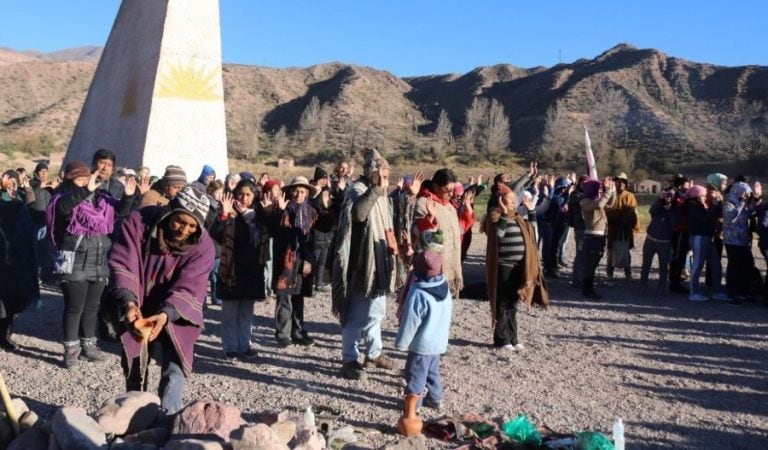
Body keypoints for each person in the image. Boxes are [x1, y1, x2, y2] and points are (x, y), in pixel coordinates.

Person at [110, 187, 214, 413]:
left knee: (174, 365)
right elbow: (123, 262)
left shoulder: (203, 246)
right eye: (179, 221)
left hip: (177, 311)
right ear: (170, 212)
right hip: (137, 301)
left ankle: (168, 416)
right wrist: (129, 302)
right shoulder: (137, 223)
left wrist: (167, 314)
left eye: (192, 226)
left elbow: (191, 284)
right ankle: (136, 413)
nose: (184, 230)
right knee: (135, 362)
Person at [46, 160, 138, 367]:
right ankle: (71, 350)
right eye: (79, 178)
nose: (85, 182)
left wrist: (129, 195)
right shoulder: (62, 199)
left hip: (99, 260)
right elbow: (64, 208)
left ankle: (88, 347)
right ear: (69, 180)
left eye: (86, 178)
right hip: (73, 262)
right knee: (74, 308)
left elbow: (119, 212)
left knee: (92, 308)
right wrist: (84, 191)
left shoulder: (101, 200)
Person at [332, 148, 397, 380]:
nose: (384, 177)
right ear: (371, 172)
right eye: (381, 172)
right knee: (354, 316)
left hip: (378, 262)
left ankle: (373, 353)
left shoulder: (382, 192)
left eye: (387, 173)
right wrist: (376, 190)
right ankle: (349, 360)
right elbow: (358, 214)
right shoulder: (357, 189)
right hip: (360, 264)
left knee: (376, 314)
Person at [483, 184, 548, 351]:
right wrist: (504, 214)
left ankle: (513, 337)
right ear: (501, 200)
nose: (513, 202)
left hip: (520, 266)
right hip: (503, 265)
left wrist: (532, 211)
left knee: (513, 302)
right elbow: (498, 235)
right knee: (502, 302)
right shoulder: (494, 215)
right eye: (510, 199)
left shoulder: (519, 216)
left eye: (514, 199)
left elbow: (532, 232)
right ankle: (501, 339)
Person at [210, 179, 267, 359]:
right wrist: (224, 215)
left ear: (254, 196)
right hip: (231, 269)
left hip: (251, 270)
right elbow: (215, 234)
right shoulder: (228, 213)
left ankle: (245, 345)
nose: (243, 198)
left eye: (247, 194)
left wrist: (249, 217)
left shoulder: (258, 215)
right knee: (230, 313)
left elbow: (257, 239)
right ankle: (230, 347)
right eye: (240, 194)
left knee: (246, 313)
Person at [394, 249, 452, 414]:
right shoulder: (445, 288)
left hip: (422, 345)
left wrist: (401, 343)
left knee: (415, 374)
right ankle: (435, 399)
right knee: (432, 371)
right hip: (438, 342)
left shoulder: (419, 293)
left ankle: (413, 405)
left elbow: (411, 321)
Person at [270, 176, 318, 347]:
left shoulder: (311, 211)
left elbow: (312, 238)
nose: (299, 194)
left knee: (298, 297)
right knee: (284, 297)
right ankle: (282, 333)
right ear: (291, 192)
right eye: (296, 190)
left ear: (307, 193)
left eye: (303, 191)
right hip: (285, 259)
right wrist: (279, 212)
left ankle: (297, 331)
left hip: (303, 259)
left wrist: (309, 260)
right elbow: (275, 232)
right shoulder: (282, 208)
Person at [413, 169, 471, 296]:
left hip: (451, 268)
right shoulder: (424, 203)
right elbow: (416, 233)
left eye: (452, 190)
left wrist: (467, 213)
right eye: (447, 190)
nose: (451, 194)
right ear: (435, 186)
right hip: (433, 271)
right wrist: (430, 219)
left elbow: (457, 231)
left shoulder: (450, 207)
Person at [0, 178, 40, 351]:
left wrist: (16, 198)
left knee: (10, 302)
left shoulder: (18, 205)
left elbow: (34, 217)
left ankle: (5, 335)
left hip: (13, 262)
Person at [685, 185, 726, 301]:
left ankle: (717, 290)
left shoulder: (702, 206)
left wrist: (717, 206)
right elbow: (703, 220)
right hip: (698, 237)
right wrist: (715, 208)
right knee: (697, 265)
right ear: (696, 196)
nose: (704, 197)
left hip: (708, 238)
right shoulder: (691, 206)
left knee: (716, 265)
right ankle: (694, 292)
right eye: (702, 195)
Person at [723, 180, 762, 302]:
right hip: (732, 241)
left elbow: (753, 211)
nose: (746, 196)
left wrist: (756, 198)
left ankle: (744, 291)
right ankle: (732, 293)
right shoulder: (728, 203)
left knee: (745, 266)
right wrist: (741, 203)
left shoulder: (744, 203)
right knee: (734, 267)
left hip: (743, 240)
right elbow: (732, 217)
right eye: (745, 193)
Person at [580, 178, 616, 299]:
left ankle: (589, 289)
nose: (600, 191)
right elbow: (600, 204)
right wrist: (607, 192)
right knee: (590, 266)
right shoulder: (585, 202)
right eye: (598, 189)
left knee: (593, 265)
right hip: (592, 237)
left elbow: (610, 204)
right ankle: (587, 290)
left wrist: (612, 191)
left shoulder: (595, 201)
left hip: (599, 237)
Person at [639, 189, 677, 293]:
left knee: (663, 267)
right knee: (646, 264)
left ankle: (662, 287)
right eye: (666, 195)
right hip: (651, 239)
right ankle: (642, 285)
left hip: (665, 242)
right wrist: (660, 199)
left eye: (671, 195)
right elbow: (652, 210)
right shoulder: (658, 206)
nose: (668, 197)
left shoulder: (675, 209)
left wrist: (669, 210)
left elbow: (674, 224)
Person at [605, 173, 638, 280]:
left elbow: (632, 212)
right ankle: (610, 273)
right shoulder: (610, 194)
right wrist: (615, 215)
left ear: (626, 184)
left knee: (626, 251)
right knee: (611, 251)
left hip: (625, 229)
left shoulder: (630, 196)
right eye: (618, 181)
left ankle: (627, 273)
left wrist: (624, 218)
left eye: (623, 181)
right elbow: (606, 210)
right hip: (613, 228)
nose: (620, 183)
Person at [310, 168, 335, 292]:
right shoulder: (312, 192)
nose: (324, 181)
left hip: (327, 232)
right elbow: (312, 206)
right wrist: (315, 194)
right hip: (317, 232)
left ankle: (318, 283)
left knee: (322, 261)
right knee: (313, 260)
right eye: (321, 178)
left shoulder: (329, 192)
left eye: (325, 178)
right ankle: (309, 284)